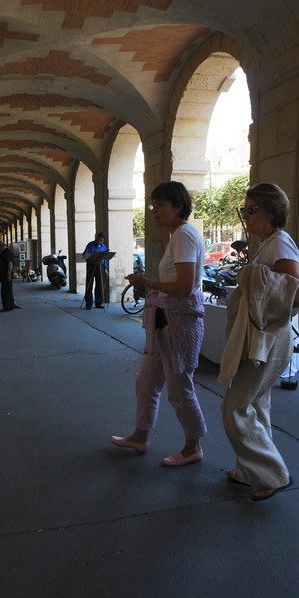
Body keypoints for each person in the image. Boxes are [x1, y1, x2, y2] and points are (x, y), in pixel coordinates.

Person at [111, 181, 207, 466]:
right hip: (165, 322)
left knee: (179, 388)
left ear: (177, 206)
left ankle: (193, 446)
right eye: (153, 204)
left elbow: (185, 286)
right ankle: (140, 436)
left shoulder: (184, 236)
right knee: (146, 383)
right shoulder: (177, 236)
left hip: (179, 322)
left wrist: (146, 282)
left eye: (160, 204)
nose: (153, 210)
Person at [218, 183, 299, 501]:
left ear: (271, 212)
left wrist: (259, 296)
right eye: (245, 210)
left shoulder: (280, 245)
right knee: (254, 404)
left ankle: (273, 475)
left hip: (268, 339)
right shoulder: (269, 243)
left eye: (252, 210)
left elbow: (294, 292)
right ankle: (250, 472)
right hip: (265, 338)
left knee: (234, 407)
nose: (246, 216)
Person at [83, 232, 108, 309]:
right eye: (99, 239)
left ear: (103, 241)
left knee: (100, 284)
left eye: (102, 240)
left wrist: (105, 268)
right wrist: (92, 255)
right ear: (97, 238)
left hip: (100, 266)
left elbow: (105, 259)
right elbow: (85, 255)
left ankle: (98, 303)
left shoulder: (103, 247)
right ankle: (88, 304)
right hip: (91, 265)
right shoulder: (90, 244)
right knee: (89, 284)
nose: (100, 241)